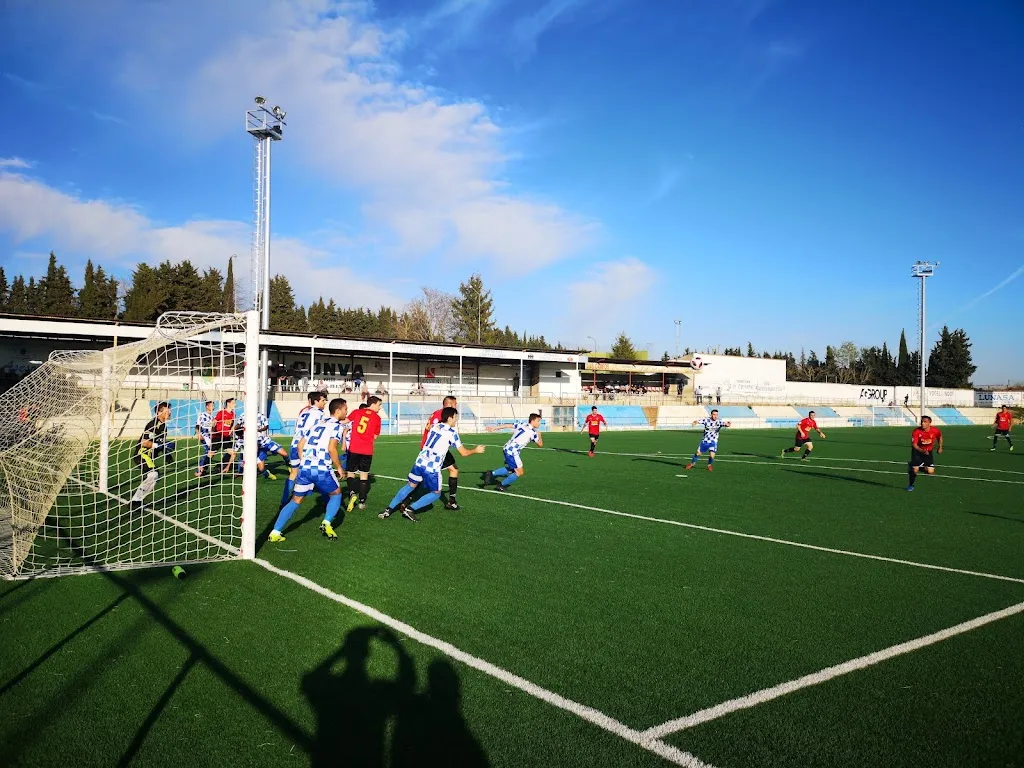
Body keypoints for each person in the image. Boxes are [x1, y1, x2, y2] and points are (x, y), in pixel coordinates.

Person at [379, 407, 487, 522]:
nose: (456, 420)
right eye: (455, 418)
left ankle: (388, 510)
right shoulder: (452, 433)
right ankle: (410, 509)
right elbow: (463, 453)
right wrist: (476, 450)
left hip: (419, 462)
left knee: (410, 486)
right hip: (432, 468)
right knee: (436, 493)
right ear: (450, 418)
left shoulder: (435, 426)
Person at [270, 398, 349, 542]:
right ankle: (327, 522)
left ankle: (275, 532)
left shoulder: (316, 425)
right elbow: (331, 448)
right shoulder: (337, 427)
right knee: (337, 494)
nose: (346, 411)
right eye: (345, 409)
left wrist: (306, 460)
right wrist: (339, 467)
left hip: (305, 468)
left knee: (296, 500)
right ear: (338, 411)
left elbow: (300, 446)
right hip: (321, 468)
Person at [281, 391, 327, 509]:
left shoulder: (303, 411)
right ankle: (327, 497)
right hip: (305, 446)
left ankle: (284, 499)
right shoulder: (319, 413)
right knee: (316, 470)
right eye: (323, 400)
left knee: (293, 473)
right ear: (316, 401)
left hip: (294, 444)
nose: (325, 402)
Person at [129, 402, 175, 513]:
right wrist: (160, 446)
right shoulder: (153, 424)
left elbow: (160, 443)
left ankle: (136, 501)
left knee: (154, 477)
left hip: (149, 456)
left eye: (169, 409)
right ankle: (135, 502)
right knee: (153, 475)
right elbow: (145, 442)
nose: (169, 412)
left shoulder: (164, 426)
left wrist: (167, 453)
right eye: (166, 410)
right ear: (159, 412)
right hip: (142, 454)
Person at [420, 396, 463, 509]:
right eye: (455, 404)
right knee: (427, 476)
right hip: (434, 450)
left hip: (430, 447)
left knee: (452, 469)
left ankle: (451, 501)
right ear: (449, 404)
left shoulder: (437, 413)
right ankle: (451, 502)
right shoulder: (442, 415)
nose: (456, 406)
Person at [482, 413, 543, 492]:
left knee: (512, 469)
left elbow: (507, 425)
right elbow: (540, 444)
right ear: (533, 420)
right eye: (538, 421)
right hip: (512, 452)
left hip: (507, 448)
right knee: (519, 472)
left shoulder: (522, 424)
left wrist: (494, 428)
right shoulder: (533, 433)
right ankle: (501, 485)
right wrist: (540, 435)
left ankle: (491, 474)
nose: (539, 423)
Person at [345, 396, 384, 511]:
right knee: (364, 475)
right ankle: (362, 502)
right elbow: (375, 436)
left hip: (354, 448)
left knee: (351, 473)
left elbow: (345, 421)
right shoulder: (377, 418)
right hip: (367, 450)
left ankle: (352, 493)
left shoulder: (356, 412)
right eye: (379, 405)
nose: (380, 408)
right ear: (372, 404)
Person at [907, 415, 943, 491]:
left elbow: (939, 437)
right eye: (922, 422)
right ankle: (911, 485)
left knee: (930, 472)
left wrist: (940, 447)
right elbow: (914, 445)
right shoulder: (916, 431)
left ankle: (914, 465)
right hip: (917, 452)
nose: (922, 423)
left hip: (928, 452)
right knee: (914, 471)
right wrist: (922, 451)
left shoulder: (935, 430)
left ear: (929, 423)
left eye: (925, 422)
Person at [211, 398, 237, 473]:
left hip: (226, 437)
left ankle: (225, 467)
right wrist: (212, 431)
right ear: (228, 403)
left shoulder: (233, 415)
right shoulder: (221, 412)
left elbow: (231, 425)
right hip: (218, 436)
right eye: (233, 403)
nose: (235, 405)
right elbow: (214, 422)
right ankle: (202, 468)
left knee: (233, 453)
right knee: (211, 454)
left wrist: (231, 432)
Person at [194, 400, 215, 477]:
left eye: (213, 405)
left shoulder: (212, 417)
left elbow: (212, 428)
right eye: (212, 405)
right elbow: (197, 425)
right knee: (208, 452)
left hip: (210, 437)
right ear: (207, 406)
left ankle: (204, 469)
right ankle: (199, 471)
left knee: (211, 453)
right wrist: (198, 434)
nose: (213, 407)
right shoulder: (203, 415)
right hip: (204, 436)